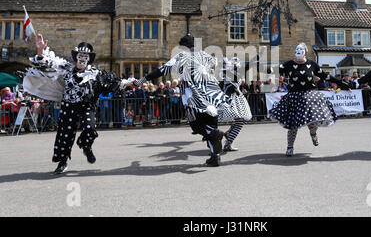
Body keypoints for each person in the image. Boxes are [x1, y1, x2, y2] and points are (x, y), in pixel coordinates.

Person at [23, 34, 131, 174]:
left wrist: (129, 82)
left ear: (89, 59)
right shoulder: (66, 68)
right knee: (65, 134)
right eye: (80, 55)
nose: (82, 58)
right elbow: (45, 64)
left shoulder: (94, 73)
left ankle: (86, 146)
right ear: (76, 56)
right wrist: (39, 51)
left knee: (90, 127)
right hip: (68, 106)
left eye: (85, 56)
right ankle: (63, 162)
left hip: (87, 106)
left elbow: (113, 83)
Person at [133, 34, 231, 166]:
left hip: (193, 95)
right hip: (212, 92)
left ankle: (214, 134)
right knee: (211, 123)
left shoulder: (181, 56)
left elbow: (161, 70)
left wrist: (141, 80)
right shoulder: (206, 55)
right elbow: (221, 66)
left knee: (195, 124)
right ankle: (215, 157)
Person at [269, 42, 350, 156]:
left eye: (301, 50)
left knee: (312, 121)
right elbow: (276, 69)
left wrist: (341, 83)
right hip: (294, 96)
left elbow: (325, 76)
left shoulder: (312, 64)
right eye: (297, 50)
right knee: (293, 124)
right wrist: (268, 68)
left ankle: (313, 134)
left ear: (305, 52)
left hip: (309, 96)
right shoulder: (289, 64)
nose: (298, 52)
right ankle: (290, 147)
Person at [218, 56, 253, 152]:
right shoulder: (228, 74)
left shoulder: (233, 73)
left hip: (237, 99)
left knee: (243, 119)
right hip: (232, 100)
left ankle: (229, 135)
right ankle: (228, 143)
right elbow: (225, 87)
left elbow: (249, 64)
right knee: (240, 121)